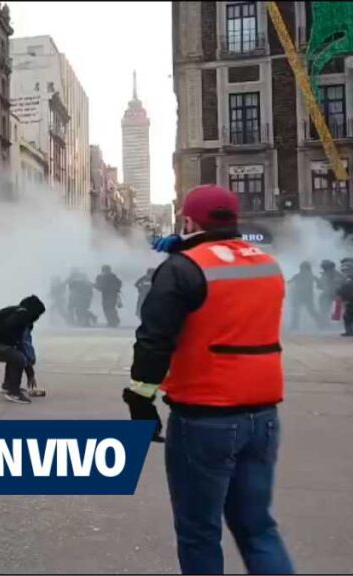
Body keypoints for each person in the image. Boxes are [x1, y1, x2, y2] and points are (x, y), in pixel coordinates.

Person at [125, 184, 293, 575]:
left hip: (205, 415)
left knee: (199, 532)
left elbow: (154, 340)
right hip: (264, 415)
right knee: (258, 528)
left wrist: (140, 399)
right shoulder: (268, 264)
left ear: (187, 221)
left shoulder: (182, 268)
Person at [0, 295, 46, 404]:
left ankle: (8, 386)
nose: (37, 318)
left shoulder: (18, 313)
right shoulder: (22, 314)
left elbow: (23, 343)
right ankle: (13, 393)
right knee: (17, 357)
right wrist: (29, 369)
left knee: (15, 354)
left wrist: (29, 368)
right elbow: (12, 332)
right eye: (38, 314)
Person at [287, 260, 321, 330]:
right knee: (297, 312)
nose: (302, 270)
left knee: (310, 311)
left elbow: (319, 282)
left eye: (303, 268)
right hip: (300, 296)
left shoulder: (308, 276)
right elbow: (289, 282)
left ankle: (321, 324)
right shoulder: (299, 276)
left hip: (306, 297)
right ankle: (294, 327)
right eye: (302, 268)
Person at [339, 258, 353, 337]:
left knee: (348, 315)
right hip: (349, 298)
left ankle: (349, 331)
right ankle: (349, 331)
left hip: (350, 298)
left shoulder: (348, 278)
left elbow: (346, 287)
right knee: (347, 315)